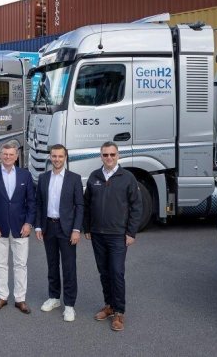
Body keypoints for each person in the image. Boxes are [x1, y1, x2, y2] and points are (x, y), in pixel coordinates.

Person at [84, 141, 143, 332]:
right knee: (104, 272)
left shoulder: (127, 177)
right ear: (100, 156)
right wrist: (87, 228)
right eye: (105, 155)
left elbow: (136, 206)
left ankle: (119, 311)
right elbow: (87, 205)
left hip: (118, 235)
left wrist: (131, 232)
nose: (109, 158)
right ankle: (109, 305)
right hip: (97, 234)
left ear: (118, 155)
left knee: (116, 272)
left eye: (112, 154)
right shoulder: (94, 177)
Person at [0, 142, 36, 314]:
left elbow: (32, 202)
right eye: (5, 154)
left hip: (21, 228)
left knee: (21, 264)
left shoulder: (25, 175)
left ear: (16, 156)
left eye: (11, 154)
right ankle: (2, 297)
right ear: (0, 155)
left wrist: (28, 223)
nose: (8, 157)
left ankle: (20, 299)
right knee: (0, 264)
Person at [35, 144, 84, 322]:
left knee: (69, 267)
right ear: (50, 157)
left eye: (60, 156)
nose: (57, 159)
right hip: (48, 227)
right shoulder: (43, 178)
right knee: (52, 265)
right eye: (54, 156)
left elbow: (80, 205)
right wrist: (38, 226)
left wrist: (77, 229)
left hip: (67, 229)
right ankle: (54, 297)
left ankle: (69, 305)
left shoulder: (74, 178)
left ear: (65, 158)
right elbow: (39, 204)